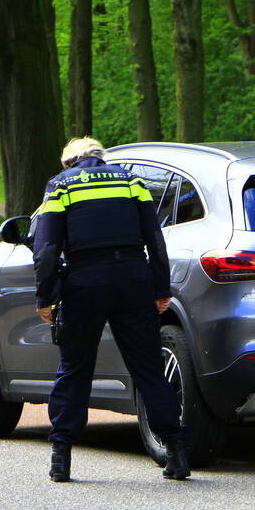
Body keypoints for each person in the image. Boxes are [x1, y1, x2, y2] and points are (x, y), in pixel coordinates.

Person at [32, 137, 189, 482]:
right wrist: (160, 288)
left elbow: (46, 249)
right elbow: (155, 239)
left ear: (69, 162)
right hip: (133, 279)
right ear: (101, 158)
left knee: (74, 369)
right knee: (148, 367)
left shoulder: (61, 185)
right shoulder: (131, 181)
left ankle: (61, 457)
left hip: (84, 282)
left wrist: (46, 297)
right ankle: (176, 452)